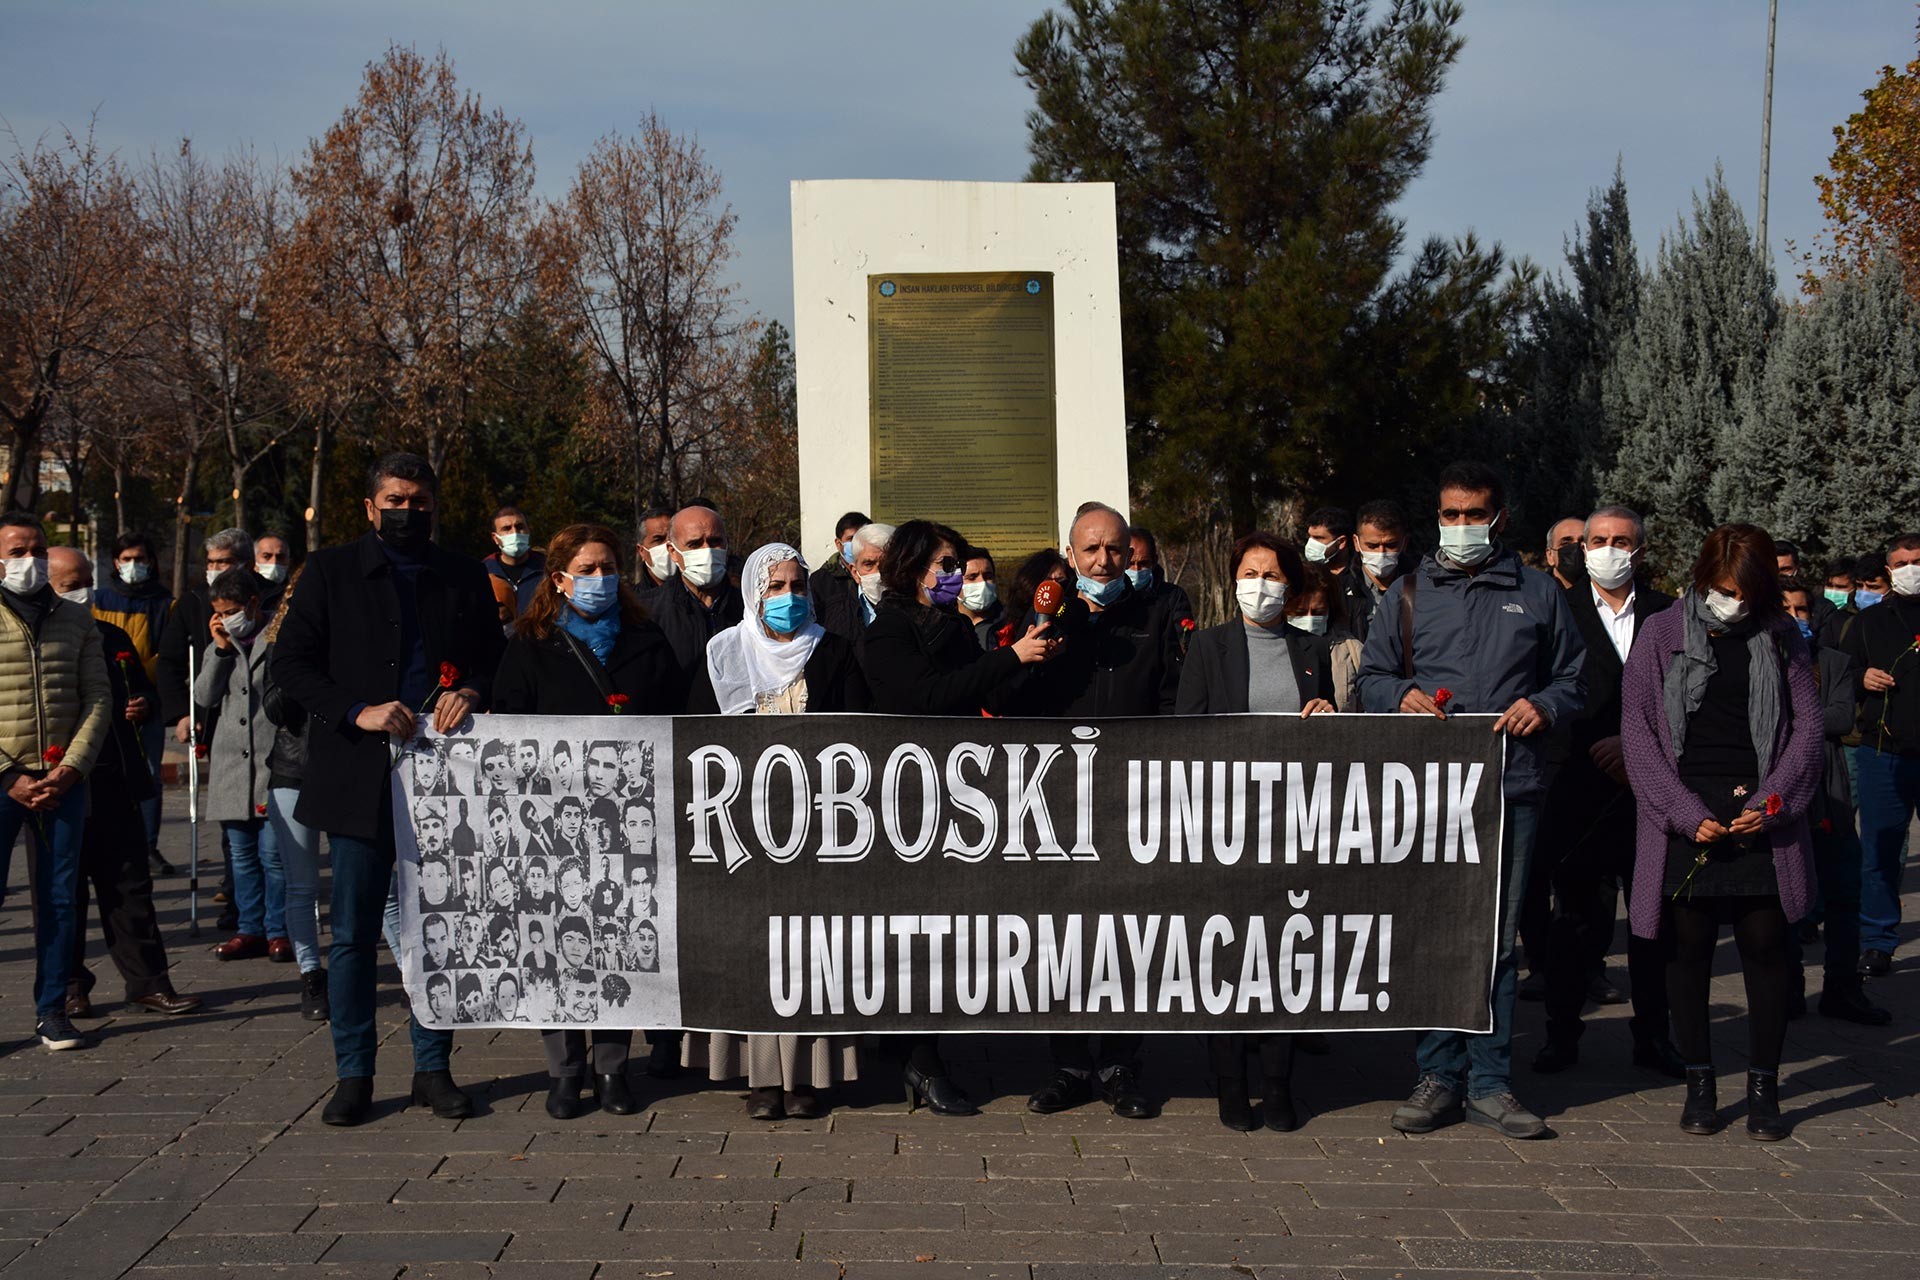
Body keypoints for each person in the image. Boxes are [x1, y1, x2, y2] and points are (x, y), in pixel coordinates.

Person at [271, 452, 504, 1127]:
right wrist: (355, 711)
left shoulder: (463, 574)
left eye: (420, 500)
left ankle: (434, 1067)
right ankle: (355, 1073)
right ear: (370, 508)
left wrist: (470, 690)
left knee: (440, 929)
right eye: (395, 500)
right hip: (358, 775)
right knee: (350, 934)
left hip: (443, 780)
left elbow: (493, 657)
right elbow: (292, 663)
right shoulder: (330, 571)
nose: (408, 511)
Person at [1357, 461, 1585, 1140]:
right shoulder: (1409, 592)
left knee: (1495, 942)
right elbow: (1370, 678)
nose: (1460, 527)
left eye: (1473, 514)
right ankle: (1437, 1075)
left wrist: (1542, 705)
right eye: (1449, 515)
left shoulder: (1539, 594)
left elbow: (1575, 680)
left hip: (1510, 791)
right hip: (1427, 792)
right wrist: (1398, 695)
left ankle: (1490, 1080)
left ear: (1500, 517)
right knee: (1433, 934)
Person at [1621, 524, 1823, 1141]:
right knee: (1688, 950)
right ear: (1702, 576)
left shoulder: (1781, 636)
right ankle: (1700, 1083)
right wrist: (1682, 811)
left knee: (1766, 944)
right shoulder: (1659, 634)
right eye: (1721, 588)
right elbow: (1639, 734)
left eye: (1744, 590)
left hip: (1759, 811)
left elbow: (1807, 732)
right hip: (1687, 811)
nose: (1731, 600)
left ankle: (1764, 1087)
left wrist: (1774, 802)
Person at [860, 518, 1060, 1115]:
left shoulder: (948, 628)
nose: (954, 578)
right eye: (945, 566)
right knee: (912, 937)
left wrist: (1030, 656)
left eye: (958, 566)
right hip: (904, 804)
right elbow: (928, 697)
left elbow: (982, 697)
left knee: (944, 935)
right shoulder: (889, 632)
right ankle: (920, 1060)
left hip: (954, 801)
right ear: (912, 567)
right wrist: (1009, 659)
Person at [492, 522, 682, 1120]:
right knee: (556, 946)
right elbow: (509, 729)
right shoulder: (530, 642)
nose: (601, 579)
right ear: (560, 579)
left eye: (609, 568)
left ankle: (611, 1069)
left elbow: (677, 719)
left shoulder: (646, 640)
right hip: (552, 829)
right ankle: (564, 1071)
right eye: (589, 569)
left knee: (615, 943)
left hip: (629, 826)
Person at [684, 542, 866, 1120]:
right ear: (753, 594)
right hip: (741, 831)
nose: (789, 599)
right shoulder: (722, 656)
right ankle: (760, 1079)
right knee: (754, 951)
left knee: (810, 950)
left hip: (819, 828)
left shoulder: (835, 651)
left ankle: (807, 1076)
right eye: (776, 588)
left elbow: (862, 736)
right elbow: (693, 740)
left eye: (798, 587)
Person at [1017, 503, 1187, 1120]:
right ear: (1070, 554)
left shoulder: (1159, 610)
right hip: (1054, 798)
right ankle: (1067, 1065)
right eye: (1090, 550)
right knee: (1059, 938)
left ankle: (1119, 1063)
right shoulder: (1049, 613)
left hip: (1132, 798)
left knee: (1124, 936)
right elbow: (1014, 695)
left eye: (1115, 550)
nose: (1104, 561)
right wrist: (1039, 632)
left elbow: (1173, 698)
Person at [1176, 532, 1336, 1132]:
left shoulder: (1309, 650)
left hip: (1292, 823)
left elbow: (1329, 734)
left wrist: (1328, 714)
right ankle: (1231, 1085)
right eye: (1250, 572)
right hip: (1224, 825)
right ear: (1234, 578)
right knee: (1226, 957)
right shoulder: (1209, 647)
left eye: (1272, 574)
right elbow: (1186, 728)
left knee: (1284, 956)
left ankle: (1279, 1081)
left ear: (1290, 587)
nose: (1260, 584)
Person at [1528, 506, 1685, 1079]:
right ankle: (1561, 1035)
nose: (1608, 549)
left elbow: (1691, 698)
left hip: (1652, 790)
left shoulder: (1672, 614)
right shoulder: (1556, 611)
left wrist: (1638, 747)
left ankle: (1654, 1036)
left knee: (1652, 925)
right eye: (1598, 540)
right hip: (1576, 786)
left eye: (1621, 540)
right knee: (1574, 921)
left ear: (1641, 550)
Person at [46, 547, 199, 1020]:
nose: (82, 591)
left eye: (85, 580)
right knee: (62, 893)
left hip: (115, 779)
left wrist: (143, 705)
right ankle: (70, 987)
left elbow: (140, 691)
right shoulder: (37, 638)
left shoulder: (109, 635)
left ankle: (148, 983)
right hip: (58, 783)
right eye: (70, 582)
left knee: (131, 887)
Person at [0, 513, 111, 1051]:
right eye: (18, 551)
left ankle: (53, 1010)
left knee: (59, 899)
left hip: (63, 782)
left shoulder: (75, 619)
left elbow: (98, 697)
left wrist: (71, 768)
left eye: (37, 550)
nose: (30, 561)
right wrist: (9, 775)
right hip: (4, 783)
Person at [1779, 580, 1888, 1025]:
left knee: (1844, 895)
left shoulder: (1835, 662)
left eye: (1802, 610)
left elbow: (1842, 717)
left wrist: (1786, 719)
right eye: (1784, 608)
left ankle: (1842, 988)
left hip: (1831, 798)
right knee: (1786, 903)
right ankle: (1786, 989)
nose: (1794, 617)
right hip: (1782, 802)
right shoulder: (1757, 662)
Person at [156, 526, 262, 930]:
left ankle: (261, 909)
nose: (216, 569)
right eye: (211, 562)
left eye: (225, 562)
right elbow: (169, 661)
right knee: (231, 818)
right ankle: (238, 904)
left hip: (258, 717)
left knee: (263, 833)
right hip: (214, 715)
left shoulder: (265, 601)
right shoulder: (192, 602)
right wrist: (181, 714)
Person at [194, 568, 287, 964]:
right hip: (231, 762)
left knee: (273, 855)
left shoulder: (278, 636)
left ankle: (279, 930)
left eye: (231, 610)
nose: (226, 619)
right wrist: (218, 650)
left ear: (252, 603)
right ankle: (248, 928)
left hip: (272, 759)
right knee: (242, 856)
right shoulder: (222, 643)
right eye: (218, 613)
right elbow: (203, 695)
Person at [1846, 531, 1920, 979]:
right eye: (1903, 561)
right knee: (1880, 851)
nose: (1911, 567)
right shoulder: (1870, 622)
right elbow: (1841, 671)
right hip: (1882, 752)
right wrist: (1863, 677)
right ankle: (1877, 942)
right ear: (1889, 571)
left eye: (1918, 559)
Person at [260, 572, 327, 1020]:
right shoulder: (279, 641)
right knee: (302, 883)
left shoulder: (359, 634)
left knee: (379, 886)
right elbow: (274, 708)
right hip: (294, 766)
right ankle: (312, 977)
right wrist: (295, 667)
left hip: (349, 768)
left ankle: (405, 969)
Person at [91, 530, 177, 877]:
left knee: (151, 776)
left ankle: (148, 845)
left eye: (139, 559)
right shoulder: (99, 599)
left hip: (146, 699)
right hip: (102, 697)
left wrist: (141, 685)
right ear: (115, 562)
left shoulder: (164, 603)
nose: (133, 566)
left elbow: (168, 655)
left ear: (151, 562)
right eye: (126, 559)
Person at [649, 505, 742, 698]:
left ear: (727, 544)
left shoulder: (749, 608)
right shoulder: (650, 612)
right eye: (694, 544)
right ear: (672, 551)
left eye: (715, 541)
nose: (707, 551)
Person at [1284, 565, 1364, 711]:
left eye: (1318, 612)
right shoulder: (1275, 647)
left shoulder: (1352, 651)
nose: (1309, 619)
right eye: (1299, 612)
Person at [1344, 500, 1411, 641]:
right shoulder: (1340, 590)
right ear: (1356, 542)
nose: (1381, 552)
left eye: (1390, 545)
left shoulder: (1422, 586)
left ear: (1404, 543)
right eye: (1372, 546)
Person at [817, 521, 891, 641]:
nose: (879, 574)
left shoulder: (919, 613)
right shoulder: (830, 617)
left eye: (887, 564)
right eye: (869, 564)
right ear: (855, 572)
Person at [483, 506, 547, 628]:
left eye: (520, 527)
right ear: (495, 538)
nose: (515, 533)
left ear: (528, 531)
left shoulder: (547, 569)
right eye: (506, 529)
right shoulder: (483, 571)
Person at [1001, 550, 1072, 649]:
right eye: (1047, 582)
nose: (1053, 587)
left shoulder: (1069, 623)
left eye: (1061, 581)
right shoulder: (1005, 626)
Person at [1124, 526, 1194, 625]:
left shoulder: (1173, 597)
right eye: (1130, 563)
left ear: (1154, 561)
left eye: (1143, 563)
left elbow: (1184, 637)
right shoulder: (1111, 597)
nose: (1136, 569)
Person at [806, 509, 869, 616]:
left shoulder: (882, 574)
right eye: (851, 538)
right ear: (839, 544)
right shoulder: (820, 580)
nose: (858, 543)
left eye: (863, 537)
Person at [957, 545, 1004, 650]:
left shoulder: (1009, 622)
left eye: (988, 576)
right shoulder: (945, 625)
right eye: (972, 577)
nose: (982, 583)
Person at [633, 505, 676, 593]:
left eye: (673, 538)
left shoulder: (700, 598)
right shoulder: (632, 601)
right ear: (641, 551)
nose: (668, 545)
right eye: (658, 539)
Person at [1544, 516, 1586, 590]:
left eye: (1583, 542)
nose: (1576, 549)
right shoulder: (1534, 594)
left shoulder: (1607, 595)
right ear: (1550, 555)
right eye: (1566, 543)